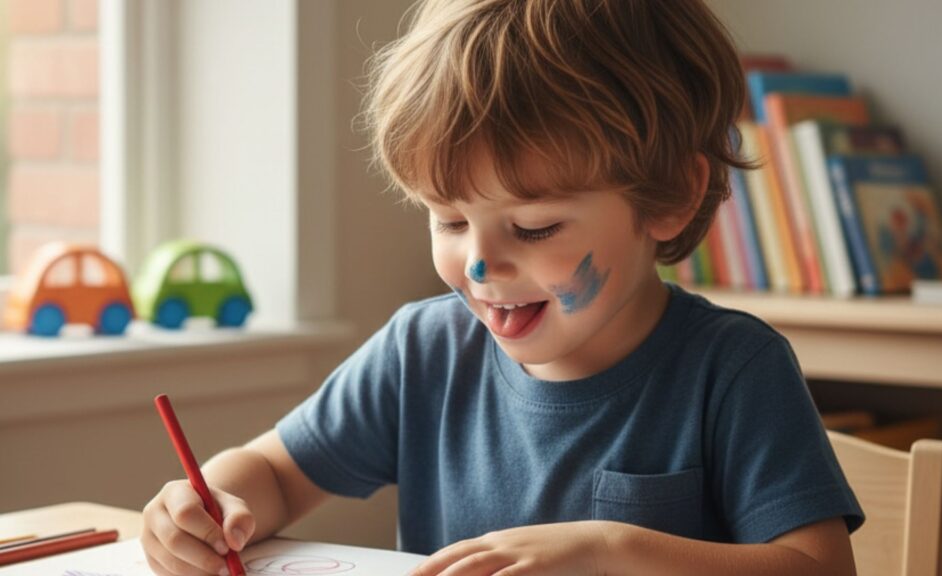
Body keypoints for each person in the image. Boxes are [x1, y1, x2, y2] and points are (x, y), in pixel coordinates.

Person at [141, 1, 864, 575]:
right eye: (450, 220)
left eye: (534, 227)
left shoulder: (731, 370)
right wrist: (211, 503)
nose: (480, 266)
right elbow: (275, 470)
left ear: (670, 196)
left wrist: (611, 553)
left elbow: (818, 568)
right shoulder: (422, 352)